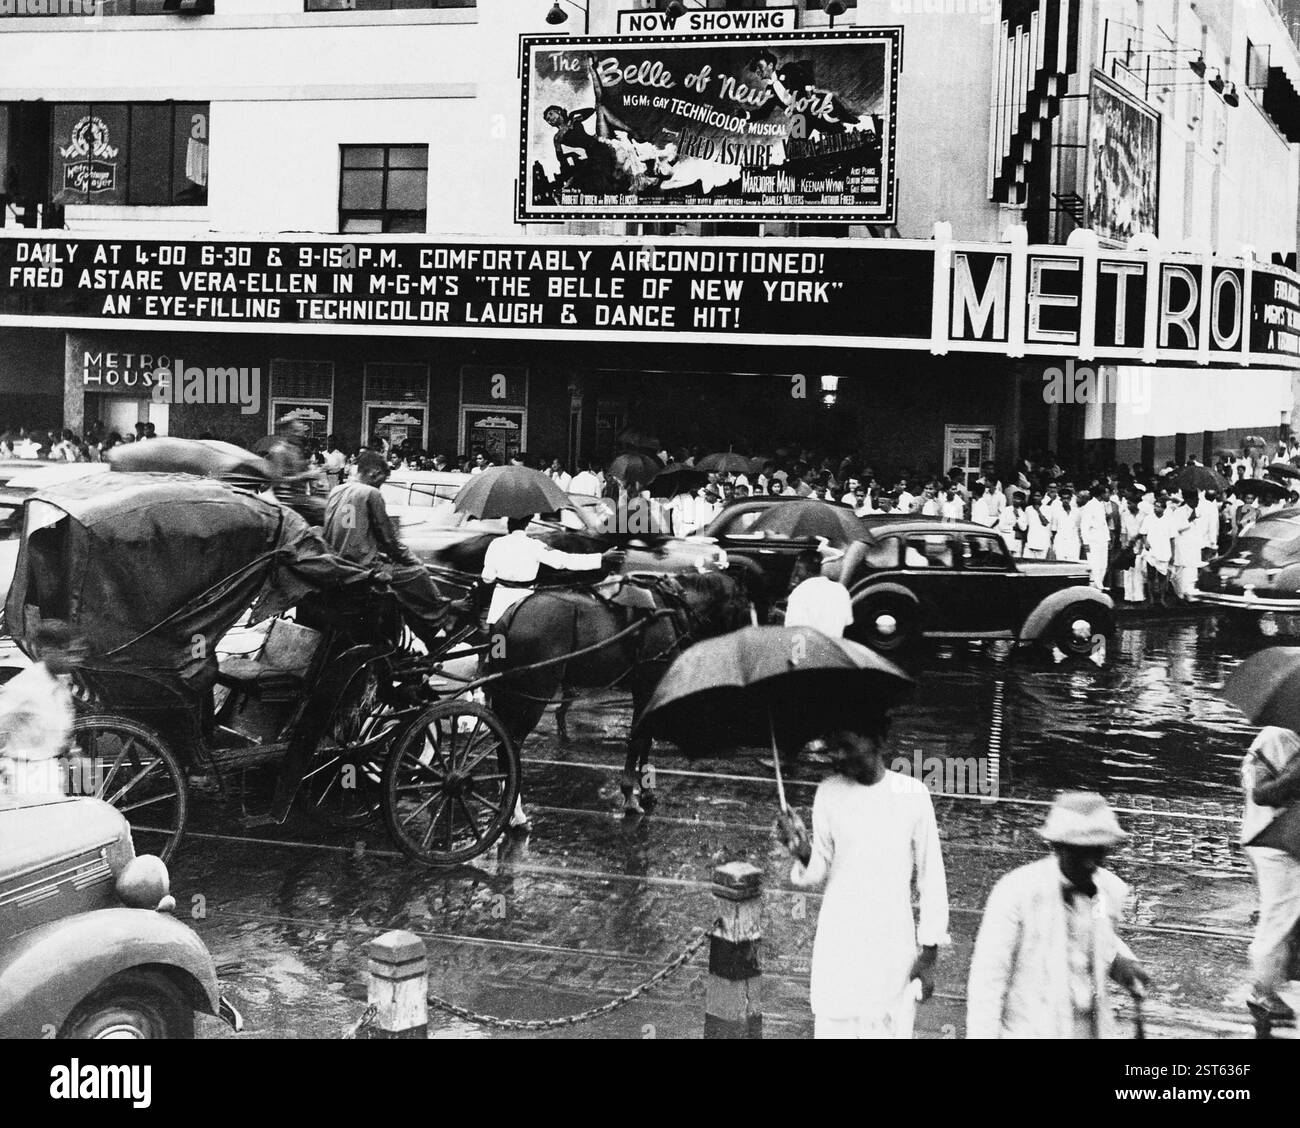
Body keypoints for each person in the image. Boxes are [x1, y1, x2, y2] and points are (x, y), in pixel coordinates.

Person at [778, 726, 949, 1039]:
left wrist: (929, 956)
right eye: (832, 747)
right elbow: (820, 870)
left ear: (879, 738)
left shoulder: (913, 795)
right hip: (839, 945)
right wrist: (802, 850)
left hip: (891, 949)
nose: (838, 756)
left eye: (845, 745)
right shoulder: (828, 792)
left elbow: (931, 878)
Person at [967, 792, 1149, 1038]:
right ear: (1057, 846)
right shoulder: (1015, 893)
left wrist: (1121, 962)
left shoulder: (1107, 891)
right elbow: (987, 983)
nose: (1089, 863)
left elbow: (1097, 937)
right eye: (1079, 852)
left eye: (1097, 851)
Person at [323, 452, 467, 653]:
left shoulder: (337, 490)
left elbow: (353, 530)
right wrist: (412, 559)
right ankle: (443, 617)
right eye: (383, 479)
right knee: (418, 573)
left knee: (401, 583)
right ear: (375, 473)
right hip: (361, 566)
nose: (382, 484)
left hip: (338, 560)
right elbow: (388, 538)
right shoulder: (370, 493)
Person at [1239, 727, 1300, 1025]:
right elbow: (1261, 793)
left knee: (1285, 918)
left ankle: (1274, 982)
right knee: (1278, 919)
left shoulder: (1281, 738)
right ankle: (1263, 991)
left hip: (1282, 840)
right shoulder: (1277, 738)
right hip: (1275, 844)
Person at [481, 515, 605, 625]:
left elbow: (487, 578)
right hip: (526, 602)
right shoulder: (535, 545)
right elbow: (564, 561)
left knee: (497, 645)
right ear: (526, 524)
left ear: (508, 523)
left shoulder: (496, 544)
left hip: (500, 604)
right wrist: (601, 558)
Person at [785, 576, 853, 638]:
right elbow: (848, 621)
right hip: (829, 644)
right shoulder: (841, 591)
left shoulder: (804, 588)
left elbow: (791, 623)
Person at [1078, 488, 1111, 590]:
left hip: (1102, 539)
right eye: (1107, 493)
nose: (1109, 495)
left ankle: (1099, 586)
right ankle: (1093, 588)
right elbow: (1084, 526)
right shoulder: (1089, 506)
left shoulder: (1101, 505)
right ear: (1101, 494)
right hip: (1093, 540)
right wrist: (1086, 543)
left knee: (1103, 565)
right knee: (1094, 565)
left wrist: (1107, 539)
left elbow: (1104, 524)